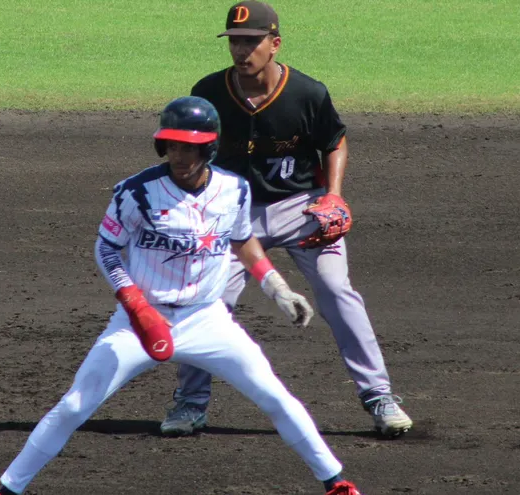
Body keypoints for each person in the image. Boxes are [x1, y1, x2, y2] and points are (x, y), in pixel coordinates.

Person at [0, 96, 363, 495]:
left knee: (274, 396)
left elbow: (242, 240)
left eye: (189, 147)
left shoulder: (234, 190)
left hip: (207, 320)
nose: (179, 155)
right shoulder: (135, 192)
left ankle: (335, 482)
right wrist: (136, 305)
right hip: (139, 322)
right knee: (76, 404)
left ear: (208, 147)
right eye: (172, 146)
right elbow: (106, 248)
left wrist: (276, 288)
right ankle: (7, 490)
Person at [160, 1, 413, 439]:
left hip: (302, 208)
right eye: (235, 42)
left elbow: (333, 141)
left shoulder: (307, 93)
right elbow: (191, 149)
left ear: (274, 44)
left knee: (337, 290)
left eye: (251, 42)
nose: (241, 51)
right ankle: (190, 403)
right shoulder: (209, 93)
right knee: (207, 301)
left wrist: (333, 196)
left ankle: (379, 396)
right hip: (232, 213)